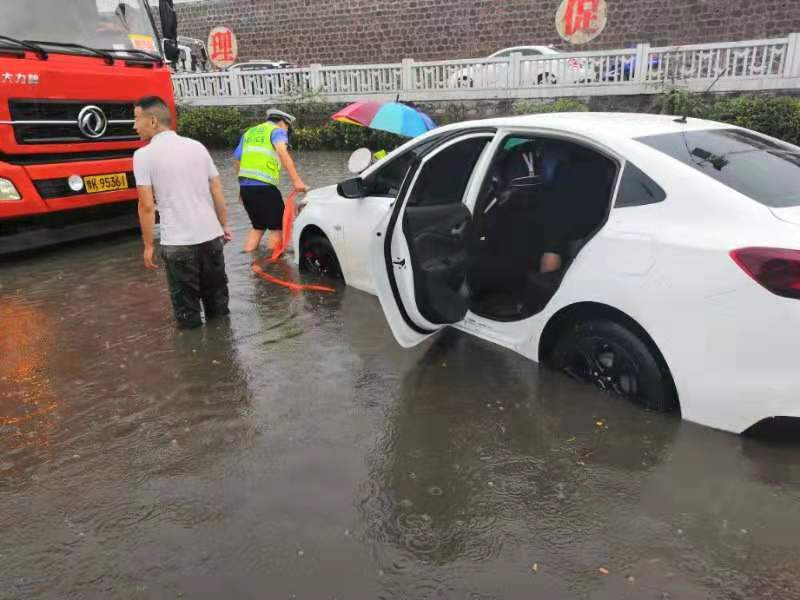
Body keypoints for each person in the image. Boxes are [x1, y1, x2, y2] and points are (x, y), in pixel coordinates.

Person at [132, 96, 233, 329]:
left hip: (178, 245)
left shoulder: (143, 156)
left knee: (188, 319)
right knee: (219, 311)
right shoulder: (196, 147)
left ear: (154, 121)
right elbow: (217, 190)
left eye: (137, 119)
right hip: (211, 238)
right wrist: (224, 226)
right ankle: (224, 358)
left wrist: (148, 245)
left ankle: (197, 362)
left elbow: (146, 206)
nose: (134, 125)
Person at [233, 108, 309, 253]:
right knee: (278, 227)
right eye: (288, 127)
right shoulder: (277, 131)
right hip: (264, 187)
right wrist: (297, 181)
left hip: (246, 187)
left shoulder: (249, 132)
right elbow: (283, 153)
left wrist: (241, 188)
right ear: (282, 123)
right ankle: (271, 264)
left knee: (258, 227)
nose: (287, 131)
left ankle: (250, 261)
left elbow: (237, 159)